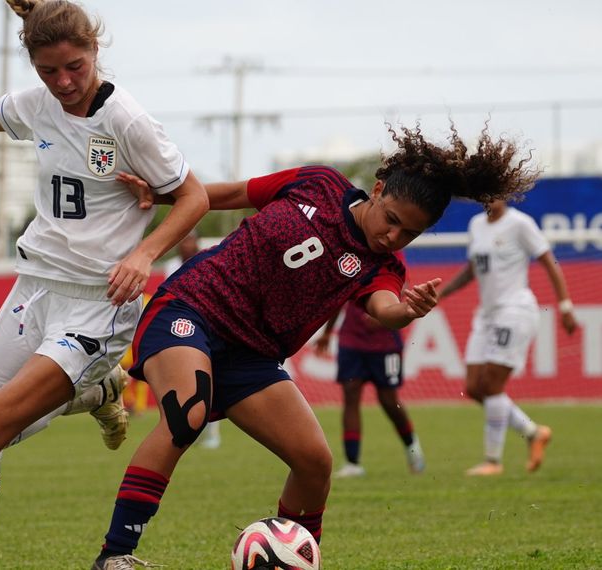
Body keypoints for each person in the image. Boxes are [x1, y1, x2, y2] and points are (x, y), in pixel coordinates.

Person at [90, 122, 537, 569]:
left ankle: (294, 560)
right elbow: (230, 194)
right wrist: (159, 195)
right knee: (188, 414)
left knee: (315, 462)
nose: (393, 237)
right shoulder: (318, 184)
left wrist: (407, 310)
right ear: (377, 191)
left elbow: (384, 307)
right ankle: (115, 555)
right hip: (193, 307)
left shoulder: (382, 265)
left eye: (409, 234)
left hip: (252, 354)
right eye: (392, 220)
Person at [0, 0, 208, 567]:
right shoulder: (39, 104)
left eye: (75, 66)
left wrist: (145, 253)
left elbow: (192, 196)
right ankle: (96, 393)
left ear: (95, 49)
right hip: (34, 289)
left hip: (97, 305)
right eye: (48, 70)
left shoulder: (126, 120)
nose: (64, 82)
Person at [438, 198, 577, 476]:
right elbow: (473, 269)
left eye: (497, 191)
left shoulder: (520, 223)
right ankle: (533, 432)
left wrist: (565, 306)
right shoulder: (476, 225)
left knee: (492, 384)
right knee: (474, 387)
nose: (492, 197)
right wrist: (441, 294)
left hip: (514, 310)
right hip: (486, 315)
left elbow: (549, 261)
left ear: (506, 193)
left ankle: (493, 461)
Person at [314, 279, 425, 478]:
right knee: (351, 396)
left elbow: (402, 293)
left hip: (386, 345)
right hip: (352, 341)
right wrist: (328, 332)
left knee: (388, 400)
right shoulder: (351, 263)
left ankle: (412, 446)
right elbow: (339, 297)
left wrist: (385, 315)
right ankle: (352, 463)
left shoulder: (391, 262)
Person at [163, 230, 222, 449]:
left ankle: (212, 433)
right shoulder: (170, 266)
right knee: (182, 383)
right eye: (183, 240)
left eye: (190, 240)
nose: (186, 244)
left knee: (208, 380)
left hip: (207, 324)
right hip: (179, 328)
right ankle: (184, 432)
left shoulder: (208, 258)